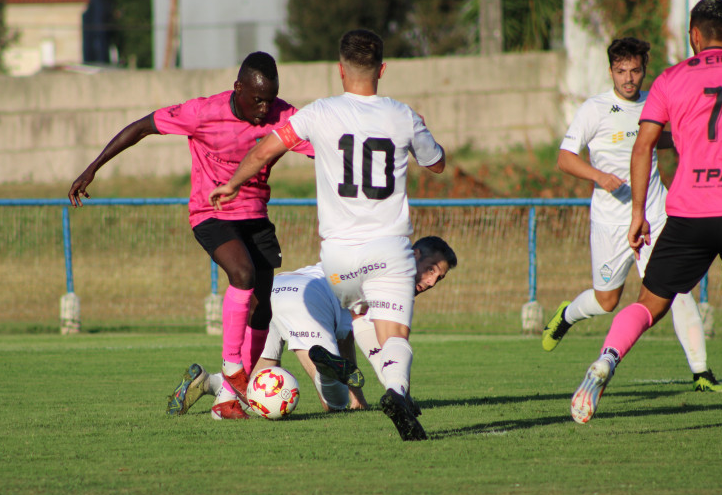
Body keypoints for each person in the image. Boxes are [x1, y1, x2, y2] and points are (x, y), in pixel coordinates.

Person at [208, 29, 447, 440]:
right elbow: (437, 163)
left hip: (337, 259)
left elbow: (266, 149)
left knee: (356, 317)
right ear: (383, 70)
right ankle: (398, 393)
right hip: (389, 248)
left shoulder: (317, 113)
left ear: (340, 71)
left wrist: (231, 184)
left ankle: (350, 370)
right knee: (394, 336)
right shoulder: (401, 115)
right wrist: (422, 129)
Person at [570, 0, 722, 432]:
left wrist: (636, 214)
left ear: (693, 36)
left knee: (650, 301)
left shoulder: (669, 80)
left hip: (688, 214)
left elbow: (644, 146)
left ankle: (607, 359)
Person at [68, 52, 314, 420]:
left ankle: (226, 399)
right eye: (257, 99)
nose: (265, 108)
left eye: (270, 98)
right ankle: (232, 368)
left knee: (263, 309)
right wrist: (92, 169)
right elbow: (141, 126)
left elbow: (327, 148)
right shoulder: (202, 112)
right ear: (238, 89)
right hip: (211, 213)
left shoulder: (285, 116)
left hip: (255, 217)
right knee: (242, 274)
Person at [542, 37, 722, 392]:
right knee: (606, 301)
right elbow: (565, 158)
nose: (629, 78)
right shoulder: (594, 109)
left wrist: (692, 138)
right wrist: (600, 177)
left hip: (656, 213)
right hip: (611, 221)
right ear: (610, 70)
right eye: (621, 70)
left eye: (636, 70)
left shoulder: (654, 102)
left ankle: (701, 372)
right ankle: (565, 316)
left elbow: (660, 139)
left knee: (677, 287)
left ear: (645, 71)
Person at [167, 236, 458, 416]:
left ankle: (206, 381)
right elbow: (358, 339)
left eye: (439, 279)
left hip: (278, 288)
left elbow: (347, 332)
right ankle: (326, 368)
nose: (431, 281)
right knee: (336, 404)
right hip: (307, 301)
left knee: (252, 391)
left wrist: (360, 395)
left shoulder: (374, 260)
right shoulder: (390, 284)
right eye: (431, 269)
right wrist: (371, 397)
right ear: (415, 255)